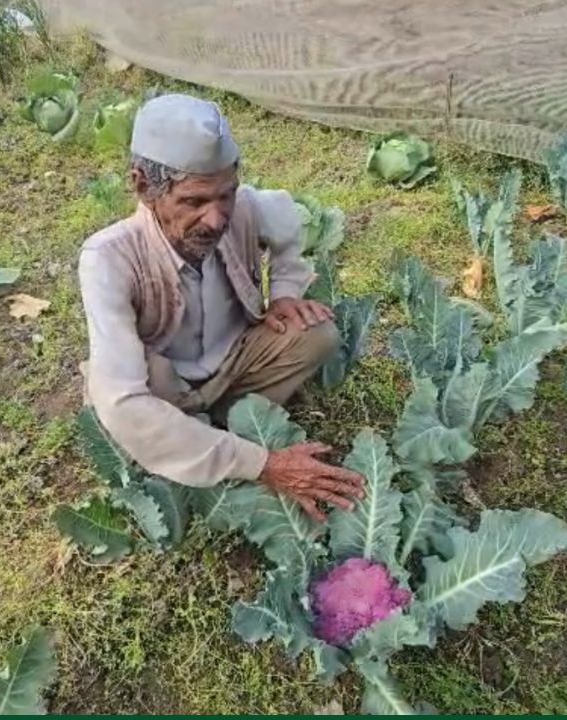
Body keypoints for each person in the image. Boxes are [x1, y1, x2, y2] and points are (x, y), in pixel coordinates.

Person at [78, 92, 365, 522]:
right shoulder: (109, 258)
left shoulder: (245, 207)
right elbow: (124, 403)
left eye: (224, 196)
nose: (216, 219)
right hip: (166, 390)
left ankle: (219, 427)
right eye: (193, 202)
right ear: (142, 186)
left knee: (317, 335)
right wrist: (265, 465)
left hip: (234, 365)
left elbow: (288, 223)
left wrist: (286, 291)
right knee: (139, 397)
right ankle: (209, 441)